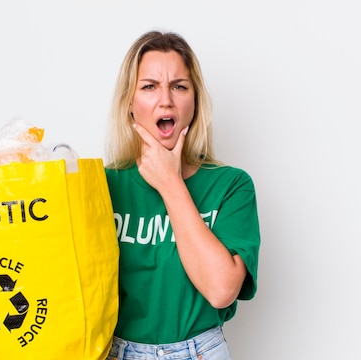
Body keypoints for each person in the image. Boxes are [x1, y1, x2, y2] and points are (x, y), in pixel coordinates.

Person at [104, 30, 261, 360]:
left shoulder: (232, 186)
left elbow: (221, 291)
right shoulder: (104, 185)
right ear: (130, 104)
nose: (166, 100)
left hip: (201, 352)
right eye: (149, 86)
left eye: (179, 86)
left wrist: (171, 183)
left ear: (195, 102)